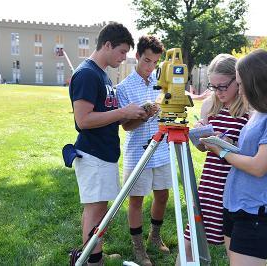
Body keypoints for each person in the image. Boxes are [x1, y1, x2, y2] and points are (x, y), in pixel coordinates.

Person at [202, 49, 267, 265]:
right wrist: (225, 143)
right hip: (236, 206)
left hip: (256, 212)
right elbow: (249, 153)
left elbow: (259, 166)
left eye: (241, 84)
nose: (239, 90)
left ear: (257, 81)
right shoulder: (261, 112)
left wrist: (220, 150)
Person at [69, 22, 147, 266]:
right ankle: (92, 261)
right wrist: (123, 111)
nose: (124, 58)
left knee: (99, 209)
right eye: (122, 52)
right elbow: (83, 120)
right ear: (107, 45)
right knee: (94, 210)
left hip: (104, 153)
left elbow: (105, 114)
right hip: (93, 154)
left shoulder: (102, 74)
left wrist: (132, 115)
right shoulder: (87, 74)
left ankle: (94, 251)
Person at [182, 54, 249, 262]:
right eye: (213, 87)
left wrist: (226, 141)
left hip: (232, 184)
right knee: (190, 240)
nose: (218, 92)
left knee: (235, 249)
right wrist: (200, 137)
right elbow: (204, 150)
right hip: (210, 182)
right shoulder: (210, 106)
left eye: (222, 86)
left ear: (237, 80)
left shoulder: (249, 109)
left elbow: (249, 154)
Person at [116, 36, 171, 266]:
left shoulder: (161, 82)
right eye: (147, 61)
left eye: (155, 63)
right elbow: (126, 126)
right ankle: (138, 248)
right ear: (137, 56)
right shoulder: (124, 87)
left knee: (163, 195)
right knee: (136, 201)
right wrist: (145, 114)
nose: (150, 67)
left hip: (162, 150)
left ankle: (154, 237)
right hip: (138, 152)